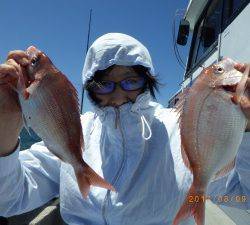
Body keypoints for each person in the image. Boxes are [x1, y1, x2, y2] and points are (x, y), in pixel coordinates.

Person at [0, 33, 249, 225]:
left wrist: (247, 131)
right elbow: (9, 199)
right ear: (90, 87)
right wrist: (5, 125)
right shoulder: (75, 131)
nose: (119, 94)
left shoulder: (182, 130)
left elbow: (242, 196)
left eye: (131, 81)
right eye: (104, 84)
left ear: (148, 81)